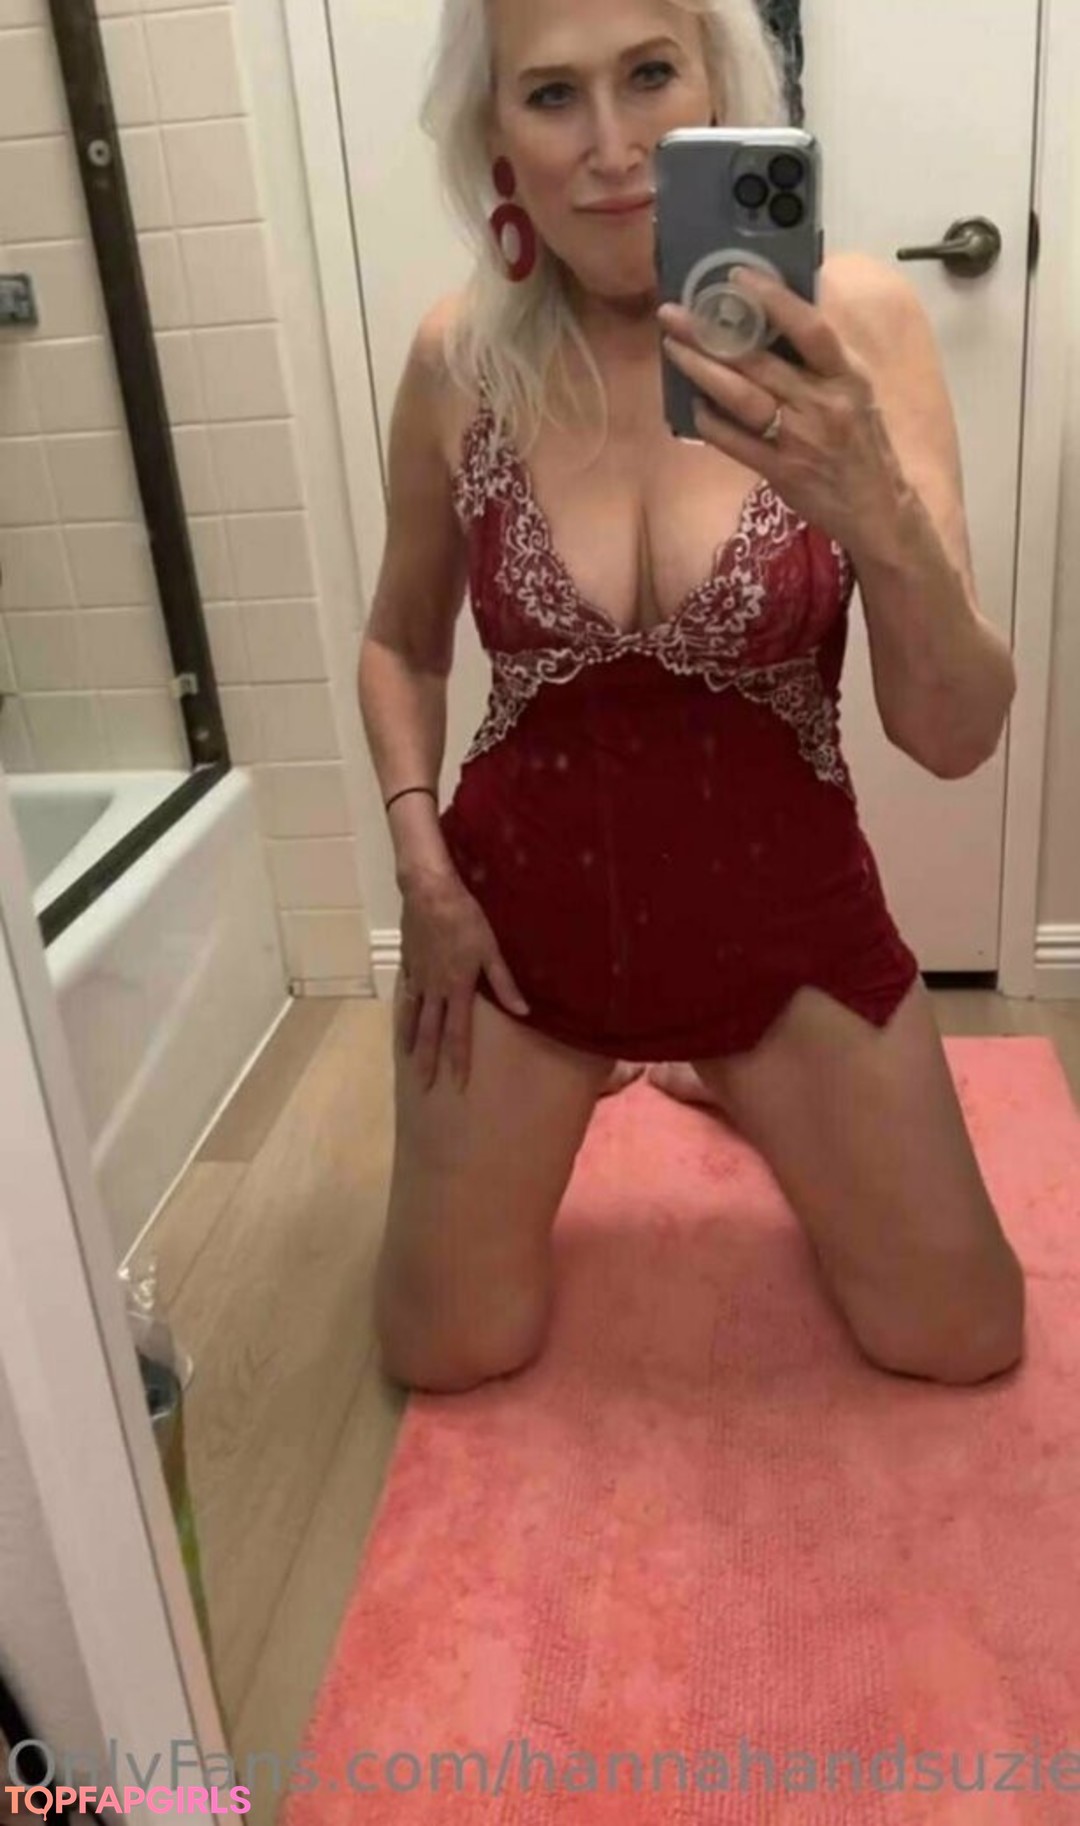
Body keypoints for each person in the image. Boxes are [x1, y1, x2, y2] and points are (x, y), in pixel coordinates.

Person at [358, 0, 1025, 1397]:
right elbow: (402, 644)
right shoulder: (458, 360)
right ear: (497, 136)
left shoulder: (853, 327)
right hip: (516, 935)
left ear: (720, 82)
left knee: (960, 1335)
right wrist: (424, 869)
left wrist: (875, 506)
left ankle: (724, 1072)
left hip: (787, 929)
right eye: (553, 95)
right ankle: (618, 1059)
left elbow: (954, 735)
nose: (612, 147)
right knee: (450, 1348)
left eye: (650, 74)